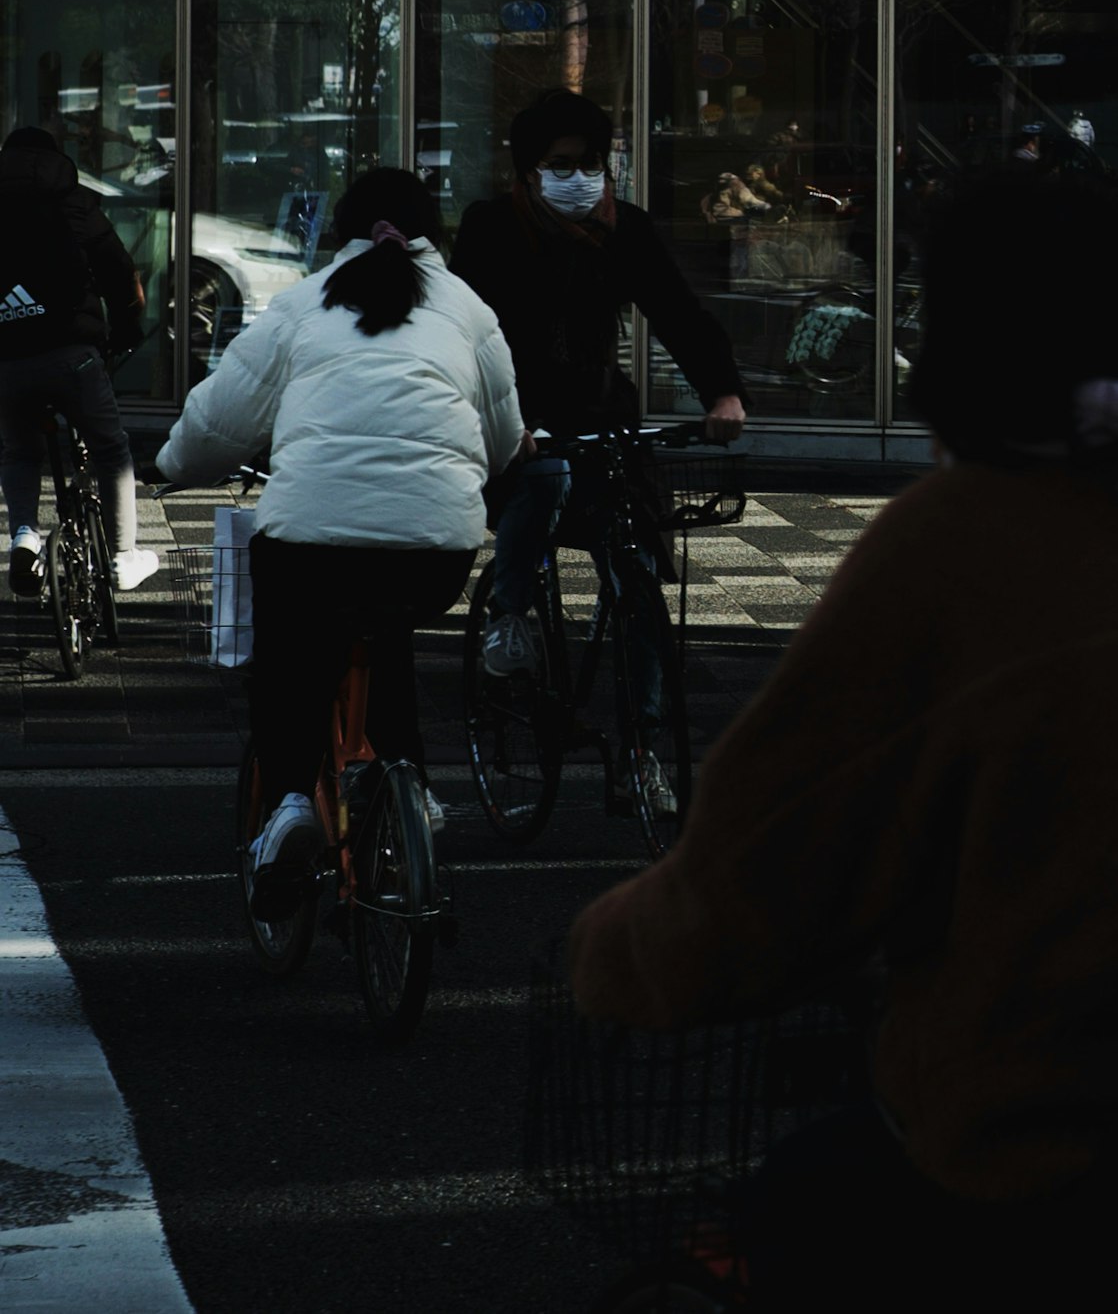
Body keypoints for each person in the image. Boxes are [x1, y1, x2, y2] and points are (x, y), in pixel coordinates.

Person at [565, 168, 1118, 1309]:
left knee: (808, 1200)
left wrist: (615, 956)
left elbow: (765, 867)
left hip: (1074, 1174)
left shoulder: (960, 541)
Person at [152, 170, 524, 919]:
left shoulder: (301, 302)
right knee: (386, 628)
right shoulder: (468, 309)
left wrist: (171, 466)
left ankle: (291, 802)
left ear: (338, 235)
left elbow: (218, 420)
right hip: (437, 551)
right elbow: (504, 436)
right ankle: (407, 783)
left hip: (313, 542)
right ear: (432, 235)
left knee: (291, 652)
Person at [451, 92, 745, 679]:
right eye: (562, 165)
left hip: (600, 407)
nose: (580, 178)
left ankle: (646, 749)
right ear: (529, 170)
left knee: (636, 555)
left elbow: (678, 314)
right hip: (520, 414)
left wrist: (723, 393)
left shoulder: (624, 228)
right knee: (540, 486)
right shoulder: (492, 227)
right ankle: (508, 614)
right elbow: (464, 330)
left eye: (592, 164)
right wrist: (500, 419)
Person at [0, 126, 151, 596]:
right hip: (73, 354)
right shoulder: (76, 201)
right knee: (110, 449)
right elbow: (119, 273)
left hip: (6, 360)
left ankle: (24, 535)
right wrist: (126, 331)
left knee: (21, 452)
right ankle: (125, 555)